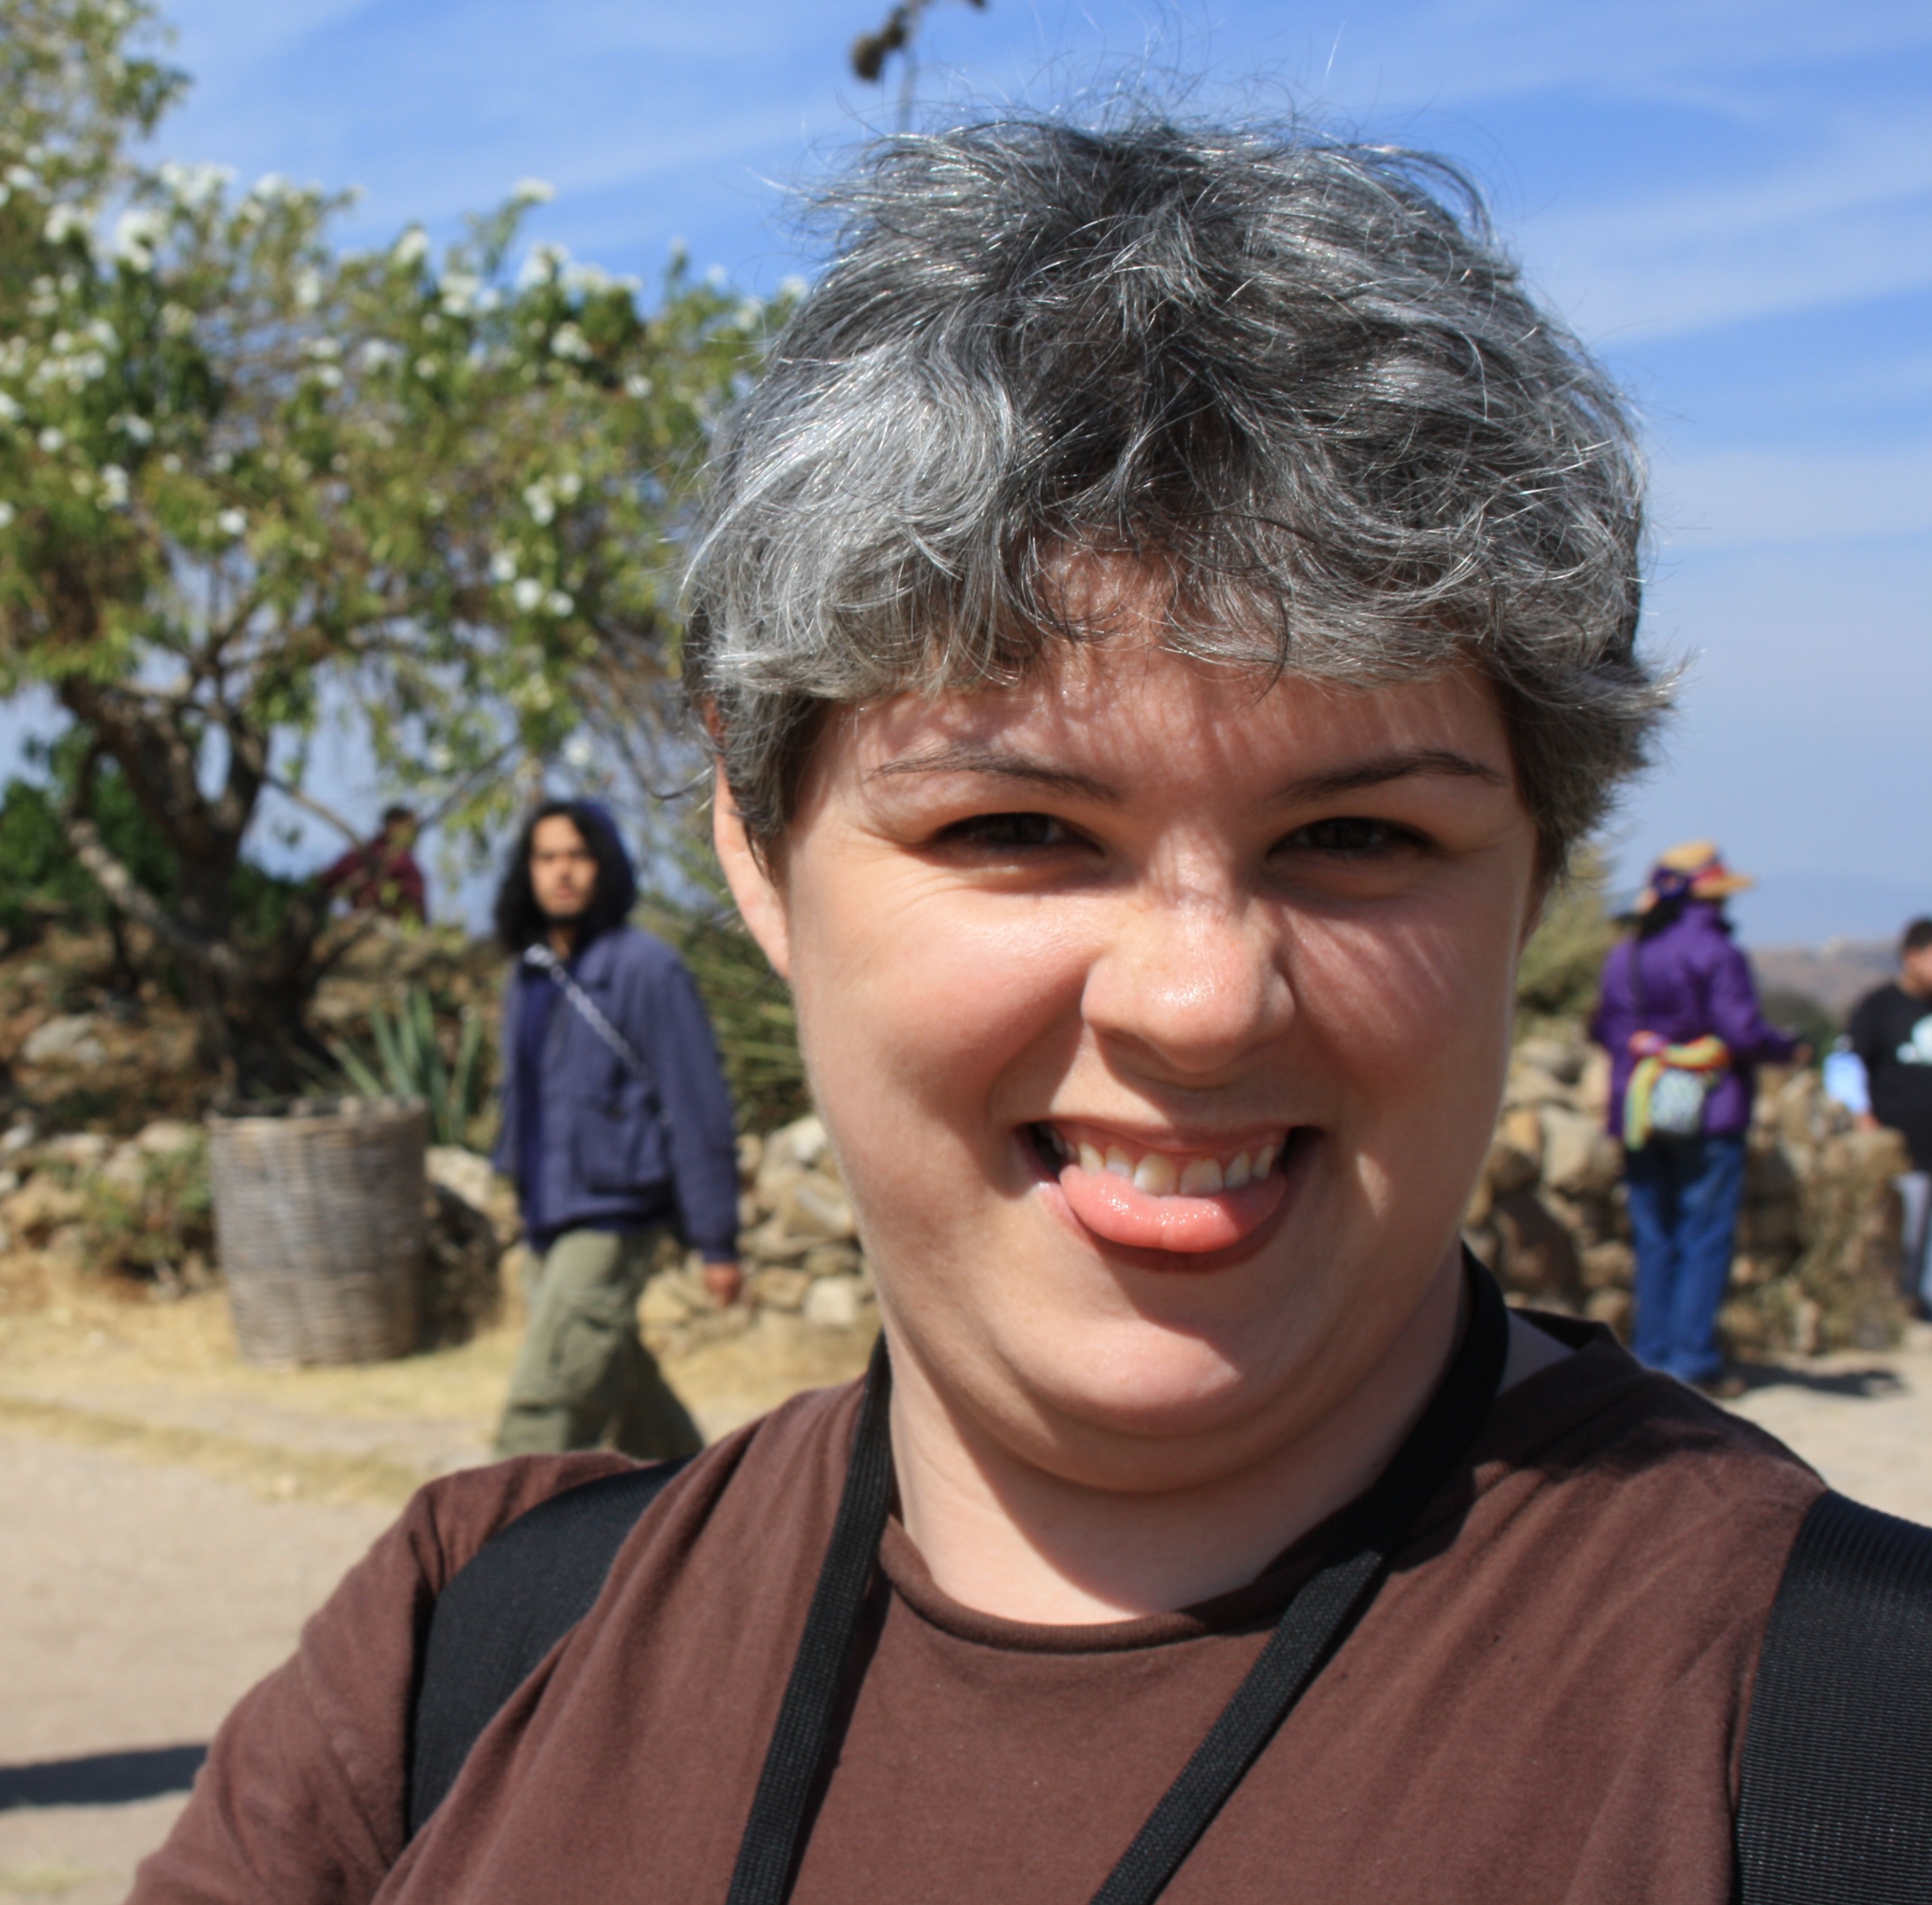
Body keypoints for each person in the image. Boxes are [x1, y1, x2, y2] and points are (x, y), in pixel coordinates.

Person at [131, 115, 1885, 1904]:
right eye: (1020, 828)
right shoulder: (466, 1661)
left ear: (1534, 871)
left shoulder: (1840, 1759)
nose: (1199, 1000)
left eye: (1353, 834)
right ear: (757, 840)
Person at [486, 799, 741, 1460]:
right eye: (547, 858)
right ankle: (704, 1510)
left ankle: (494, 1551)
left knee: (546, 1406)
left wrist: (716, 1239)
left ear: (605, 866)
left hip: (614, 1216)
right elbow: (522, 1099)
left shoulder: (646, 969)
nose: (563, 872)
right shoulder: (530, 974)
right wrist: (506, 1185)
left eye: (578, 855)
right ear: (528, 871)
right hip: (550, 1216)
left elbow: (697, 1104)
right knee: (626, 1388)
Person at [1589, 842, 1806, 1392]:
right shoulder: (1715, 950)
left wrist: (1650, 1048)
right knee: (1703, 1236)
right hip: (1709, 1110)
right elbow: (1740, 1031)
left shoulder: (1628, 953)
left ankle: (1650, 1357)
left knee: (1653, 1233)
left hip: (1639, 1106)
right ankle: (1691, 1361)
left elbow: (1606, 1029)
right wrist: (1786, 1049)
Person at [1847, 916, 1932, 1316]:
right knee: (1903, 1233)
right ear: (1911, 957)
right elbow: (1847, 1066)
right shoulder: (1880, 1007)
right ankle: (1897, 1305)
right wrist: (1863, 1117)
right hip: (1900, 1146)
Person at [317, 806, 430, 923]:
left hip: (396, 927)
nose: (413, 835)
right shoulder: (364, 854)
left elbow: (417, 905)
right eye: (408, 828)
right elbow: (327, 882)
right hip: (365, 922)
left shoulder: (410, 865)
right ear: (393, 825)